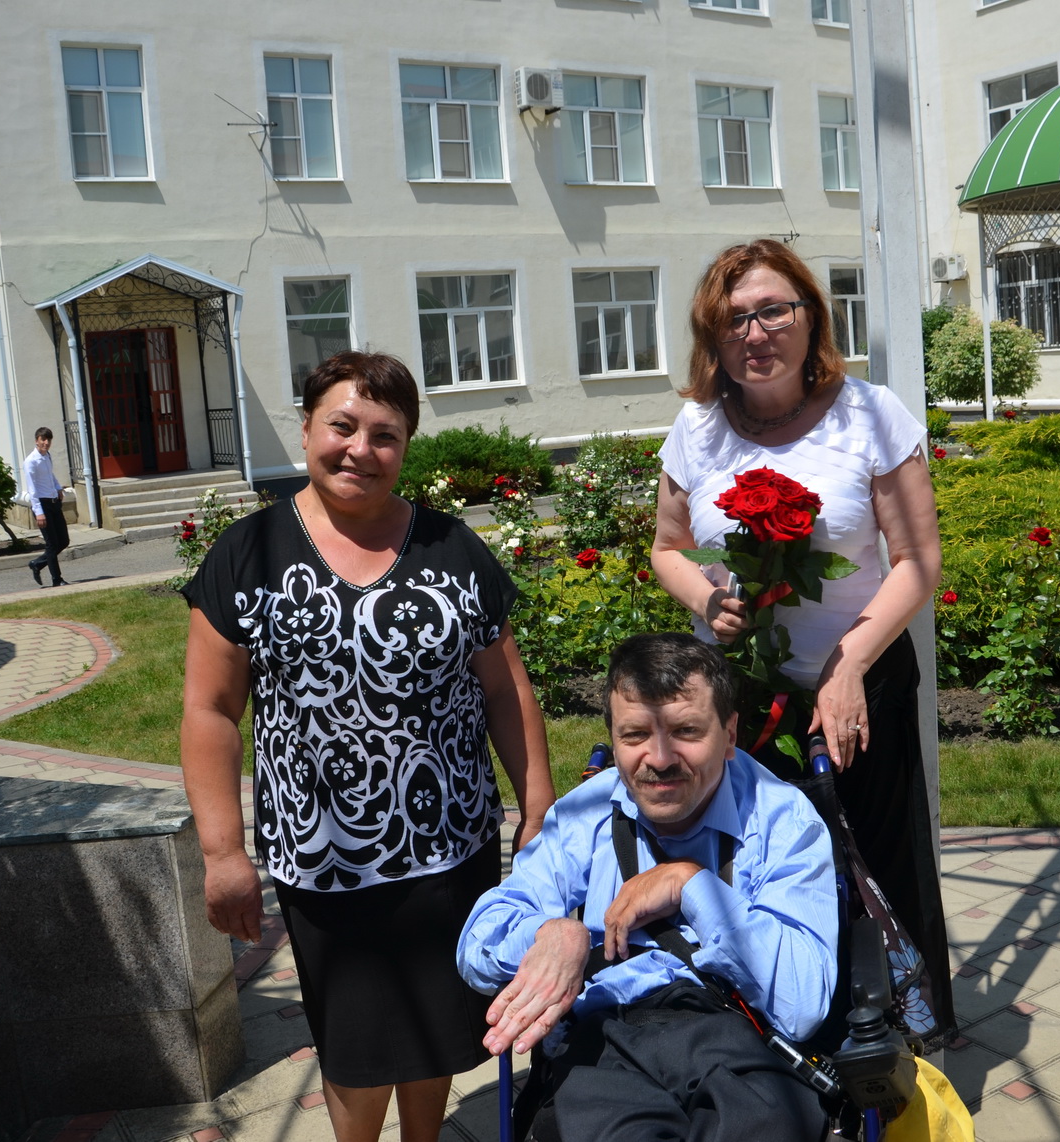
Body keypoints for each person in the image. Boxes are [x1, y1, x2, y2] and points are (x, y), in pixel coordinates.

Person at [180, 350, 555, 1142]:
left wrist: (536, 809)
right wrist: (222, 852)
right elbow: (210, 711)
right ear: (306, 429)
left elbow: (505, 689)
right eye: (341, 427)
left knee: (437, 1026)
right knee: (353, 1043)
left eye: (384, 435)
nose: (360, 450)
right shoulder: (247, 554)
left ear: (406, 445)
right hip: (322, 860)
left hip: (449, 848)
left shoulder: (451, 548)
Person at [649, 239, 955, 1044]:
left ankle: (898, 1045)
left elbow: (917, 562)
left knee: (876, 867)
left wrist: (846, 667)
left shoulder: (870, 413)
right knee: (757, 869)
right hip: (738, 697)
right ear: (712, 338)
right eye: (732, 320)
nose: (754, 334)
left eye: (772, 312)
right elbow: (667, 548)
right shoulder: (697, 428)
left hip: (858, 685)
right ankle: (779, 1044)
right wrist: (707, 596)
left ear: (810, 317)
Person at [459, 633, 837, 1142]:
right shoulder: (587, 813)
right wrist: (550, 934)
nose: (659, 758)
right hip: (607, 1041)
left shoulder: (782, 820)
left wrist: (691, 886)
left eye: (686, 731)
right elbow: (477, 942)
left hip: (741, 1035)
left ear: (729, 735)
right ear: (614, 739)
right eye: (635, 734)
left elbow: (802, 1004)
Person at [23, 427, 70, 587]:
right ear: (37, 440)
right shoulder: (31, 461)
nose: (46, 442)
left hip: (54, 502)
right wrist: (39, 512)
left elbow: (50, 475)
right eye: (43, 439)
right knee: (52, 544)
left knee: (63, 541)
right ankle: (57, 579)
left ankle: (37, 563)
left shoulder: (47, 456)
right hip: (42, 505)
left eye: (48, 440)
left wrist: (58, 488)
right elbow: (32, 489)